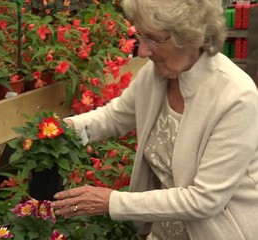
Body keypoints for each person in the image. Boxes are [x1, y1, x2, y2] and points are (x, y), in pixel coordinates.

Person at [51, 0, 258, 239]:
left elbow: (205, 199)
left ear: (188, 36)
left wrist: (112, 202)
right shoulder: (155, 75)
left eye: (153, 38)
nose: (142, 50)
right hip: (163, 231)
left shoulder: (236, 97)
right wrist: (63, 130)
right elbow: (114, 117)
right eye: (141, 35)